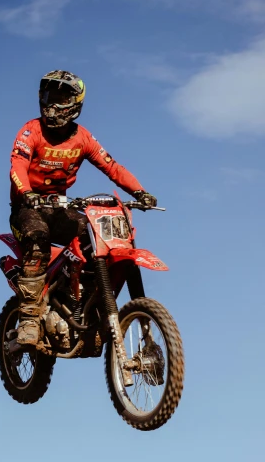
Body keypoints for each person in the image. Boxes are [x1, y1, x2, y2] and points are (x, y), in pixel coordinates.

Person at [9, 69, 158, 345]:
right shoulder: (31, 131)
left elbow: (111, 167)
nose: (51, 103)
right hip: (26, 210)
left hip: (58, 209)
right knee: (38, 238)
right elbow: (17, 165)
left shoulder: (83, 138)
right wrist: (27, 193)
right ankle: (29, 320)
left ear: (75, 103)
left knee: (95, 237)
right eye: (48, 95)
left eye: (60, 97)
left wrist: (139, 191)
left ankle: (86, 305)